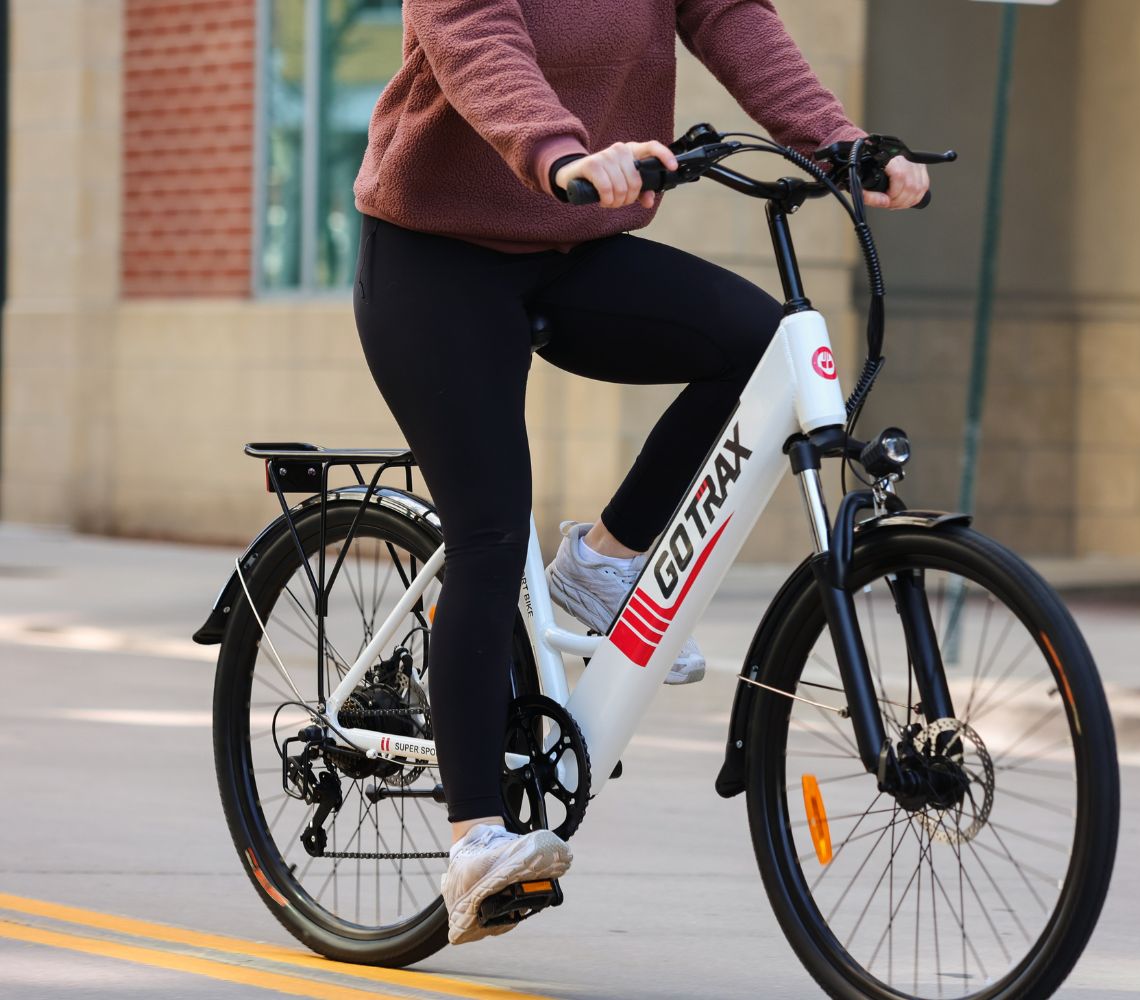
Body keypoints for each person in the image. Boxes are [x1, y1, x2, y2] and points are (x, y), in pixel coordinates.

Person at [351, 0, 928, 946]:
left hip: (574, 242)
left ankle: (603, 560)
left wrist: (839, 143)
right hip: (435, 255)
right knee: (491, 532)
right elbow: (472, 33)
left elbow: (731, 15)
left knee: (758, 346)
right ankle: (477, 840)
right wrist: (557, 150)